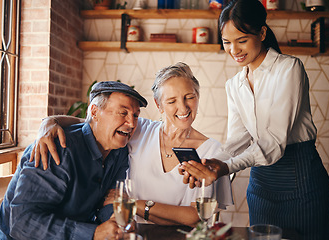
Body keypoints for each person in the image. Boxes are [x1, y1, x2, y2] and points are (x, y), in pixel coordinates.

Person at [179, 0, 329, 239]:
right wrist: (209, 164)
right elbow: (237, 141)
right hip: (261, 187)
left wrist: (226, 167)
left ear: (262, 32)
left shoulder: (289, 69)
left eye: (241, 40)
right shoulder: (234, 85)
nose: (234, 50)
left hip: (301, 181)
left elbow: (274, 141)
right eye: (227, 42)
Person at [30, 62, 233, 227]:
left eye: (190, 97)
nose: (183, 107)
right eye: (171, 101)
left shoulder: (213, 152)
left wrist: (133, 204)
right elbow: (93, 123)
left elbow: (195, 216)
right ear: (158, 105)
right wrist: (49, 123)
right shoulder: (139, 128)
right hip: (128, 233)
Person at [0, 81, 148, 240]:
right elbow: (22, 224)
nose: (132, 123)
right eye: (123, 112)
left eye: (135, 115)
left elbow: (110, 199)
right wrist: (94, 233)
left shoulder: (120, 151)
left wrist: (115, 220)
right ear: (95, 112)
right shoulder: (57, 149)